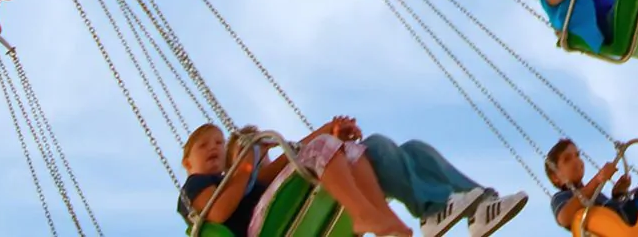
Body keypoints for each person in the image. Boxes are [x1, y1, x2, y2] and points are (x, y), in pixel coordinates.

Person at [177, 121, 415, 237]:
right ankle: (364, 214)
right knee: (322, 148)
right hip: (258, 230)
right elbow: (217, 213)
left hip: (270, 217)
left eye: (219, 142)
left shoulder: (239, 182)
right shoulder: (196, 185)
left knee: (347, 149)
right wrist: (245, 166)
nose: (214, 148)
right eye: (203, 145)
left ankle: (381, 218)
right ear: (187, 162)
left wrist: (326, 129)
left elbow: (292, 158)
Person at [331, 115, 528, 237]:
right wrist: (329, 131)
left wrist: (337, 133)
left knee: (415, 149)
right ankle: (431, 210)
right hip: (336, 178)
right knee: (376, 145)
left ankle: (480, 208)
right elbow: (303, 151)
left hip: (345, 167)